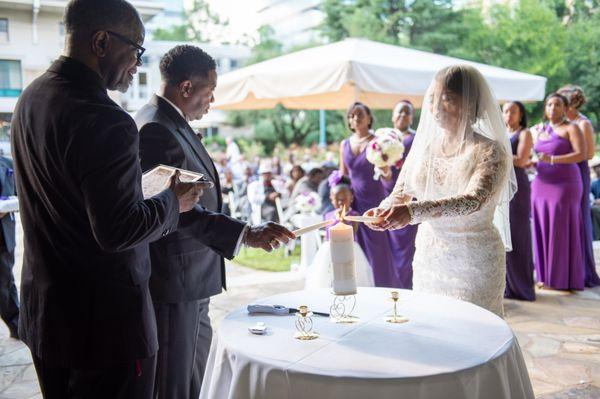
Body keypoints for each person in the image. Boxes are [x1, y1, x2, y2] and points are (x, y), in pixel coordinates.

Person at [10, 1, 205, 397]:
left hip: (47, 314)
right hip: (106, 328)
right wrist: (173, 200)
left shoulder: (30, 99)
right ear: (101, 42)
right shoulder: (105, 117)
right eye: (135, 49)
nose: (137, 63)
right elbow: (117, 230)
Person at [135, 45, 294, 399]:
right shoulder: (155, 129)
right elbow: (178, 210)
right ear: (187, 87)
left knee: (196, 377)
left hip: (193, 277)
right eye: (210, 91)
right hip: (175, 279)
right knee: (175, 384)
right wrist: (245, 234)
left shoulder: (173, 123)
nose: (212, 100)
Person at [367, 65, 515, 317]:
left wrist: (412, 212)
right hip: (430, 255)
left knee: (470, 331)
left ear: (470, 104)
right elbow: (400, 192)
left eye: (446, 99)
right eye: (433, 99)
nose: (435, 108)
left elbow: (473, 201)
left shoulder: (490, 151)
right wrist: (384, 210)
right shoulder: (424, 148)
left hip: (473, 260)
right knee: (430, 327)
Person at [531, 93, 586, 291]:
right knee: (542, 227)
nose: (553, 108)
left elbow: (581, 154)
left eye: (557, 105)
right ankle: (544, 276)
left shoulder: (571, 128)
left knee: (559, 228)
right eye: (549, 105)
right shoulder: (540, 129)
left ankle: (562, 278)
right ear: (545, 109)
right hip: (540, 183)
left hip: (565, 184)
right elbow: (536, 153)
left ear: (564, 108)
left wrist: (553, 160)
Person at [339, 102, 398, 287]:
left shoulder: (378, 142)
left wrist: (386, 171)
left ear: (369, 118)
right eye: (351, 115)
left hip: (375, 200)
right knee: (356, 250)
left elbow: (388, 174)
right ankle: (361, 287)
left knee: (378, 251)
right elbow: (343, 175)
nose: (355, 118)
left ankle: (383, 287)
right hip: (353, 203)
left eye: (359, 114)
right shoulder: (344, 144)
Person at [558, 85, 600, 287]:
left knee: (579, 218)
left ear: (570, 103)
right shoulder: (561, 123)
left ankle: (583, 270)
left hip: (577, 173)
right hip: (560, 175)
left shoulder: (583, 123)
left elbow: (589, 154)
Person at [305, 172, 374, 289]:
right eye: (337, 199)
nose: (341, 203)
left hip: (350, 249)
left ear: (351, 198)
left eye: (344, 199)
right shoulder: (328, 215)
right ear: (331, 199)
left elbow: (353, 233)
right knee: (327, 274)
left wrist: (344, 219)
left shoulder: (354, 215)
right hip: (329, 249)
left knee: (352, 273)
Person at [502, 101, 535, 301]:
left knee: (517, 233)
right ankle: (505, 284)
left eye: (513, 111)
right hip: (501, 186)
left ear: (521, 114)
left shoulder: (525, 133)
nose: (509, 115)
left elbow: (522, 160)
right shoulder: (500, 132)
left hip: (518, 187)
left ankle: (522, 286)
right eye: (505, 111)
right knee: (502, 233)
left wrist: (498, 152)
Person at [387, 100, 419, 288]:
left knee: (407, 242)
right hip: (386, 189)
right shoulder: (384, 137)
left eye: (407, 113)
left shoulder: (416, 139)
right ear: (393, 115)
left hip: (408, 192)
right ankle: (391, 284)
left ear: (412, 118)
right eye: (399, 112)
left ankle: (407, 284)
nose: (402, 116)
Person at [0, 156, 18, 339]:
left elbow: (19, 192)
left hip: (6, 234)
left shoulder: (7, 163)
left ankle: (16, 323)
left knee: (7, 280)